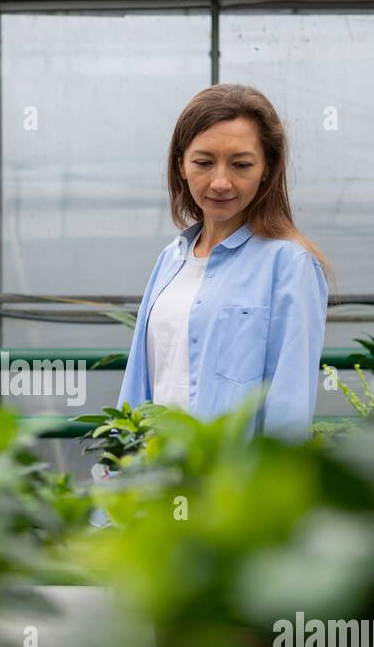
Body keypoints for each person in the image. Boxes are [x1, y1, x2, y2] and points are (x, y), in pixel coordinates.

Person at [117, 84, 334, 443]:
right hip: (157, 482)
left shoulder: (290, 264)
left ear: (267, 168)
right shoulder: (171, 259)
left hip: (229, 489)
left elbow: (288, 406)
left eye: (241, 164)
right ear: (181, 165)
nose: (220, 182)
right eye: (203, 162)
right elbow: (140, 385)